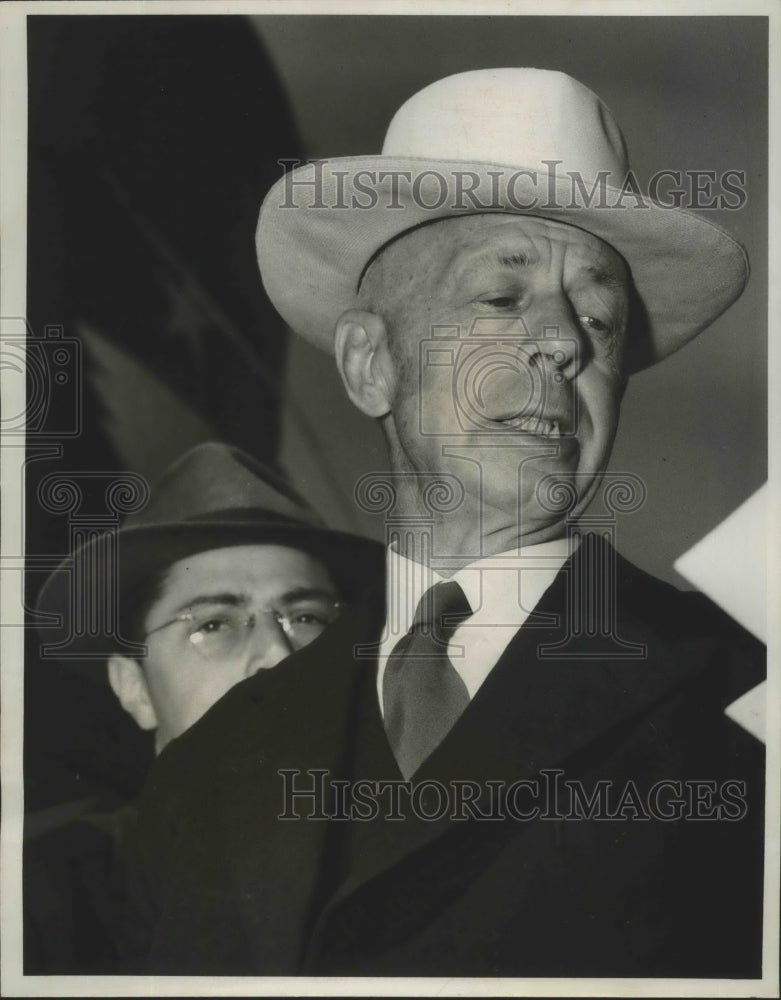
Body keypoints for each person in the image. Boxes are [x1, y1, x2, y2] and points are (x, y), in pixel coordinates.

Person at [121, 70, 766, 977]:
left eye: (598, 317)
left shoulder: (745, 702)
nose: (564, 342)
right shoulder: (213, 764)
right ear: (369, 363)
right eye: (500, 300)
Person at [24, 441, 382, 971]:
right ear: (134, 688)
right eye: (213, 624)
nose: (279, 657)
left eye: (306, 618)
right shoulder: (43, 893)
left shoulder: (413, 864)